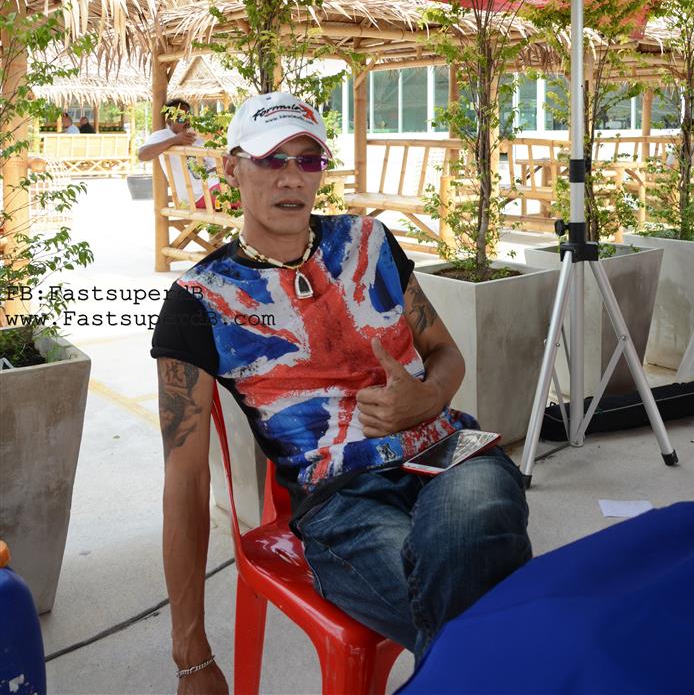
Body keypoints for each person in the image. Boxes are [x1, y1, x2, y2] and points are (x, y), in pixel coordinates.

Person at [152, 92, 531, 692]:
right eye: (271, 158)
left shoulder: (369, 242)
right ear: (231, 168)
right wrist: (191, 654)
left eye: (308, 160)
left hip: (448, 450)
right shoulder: (198, 301)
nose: (292, 178)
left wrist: (429, 398)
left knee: (472, 530)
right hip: (342, 500)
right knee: (485, 601)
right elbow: (186, 481)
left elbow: (446, 353)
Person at [138, 99, 219, 207]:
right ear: (169, 122)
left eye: (188, 117)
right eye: (181, 118)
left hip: (215, 187)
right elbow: (142, 155)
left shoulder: (197, 137)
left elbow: (215, 167)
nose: (187, 122)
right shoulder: (164, 135)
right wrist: (175, 140)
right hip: (199, 195)